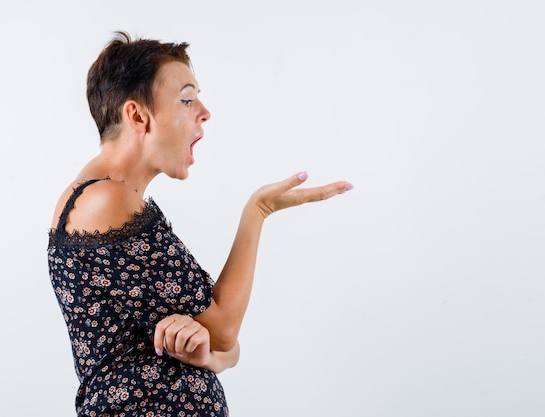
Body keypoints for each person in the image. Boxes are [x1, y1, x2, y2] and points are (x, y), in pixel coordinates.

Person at [47, 31, 354, 417]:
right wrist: (257, 212)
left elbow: (222, 341)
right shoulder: (108, 200)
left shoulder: (108, 201)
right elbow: (225, 326)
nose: (204, 111)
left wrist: (213, 357)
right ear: (137, 115)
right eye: (187, 99)